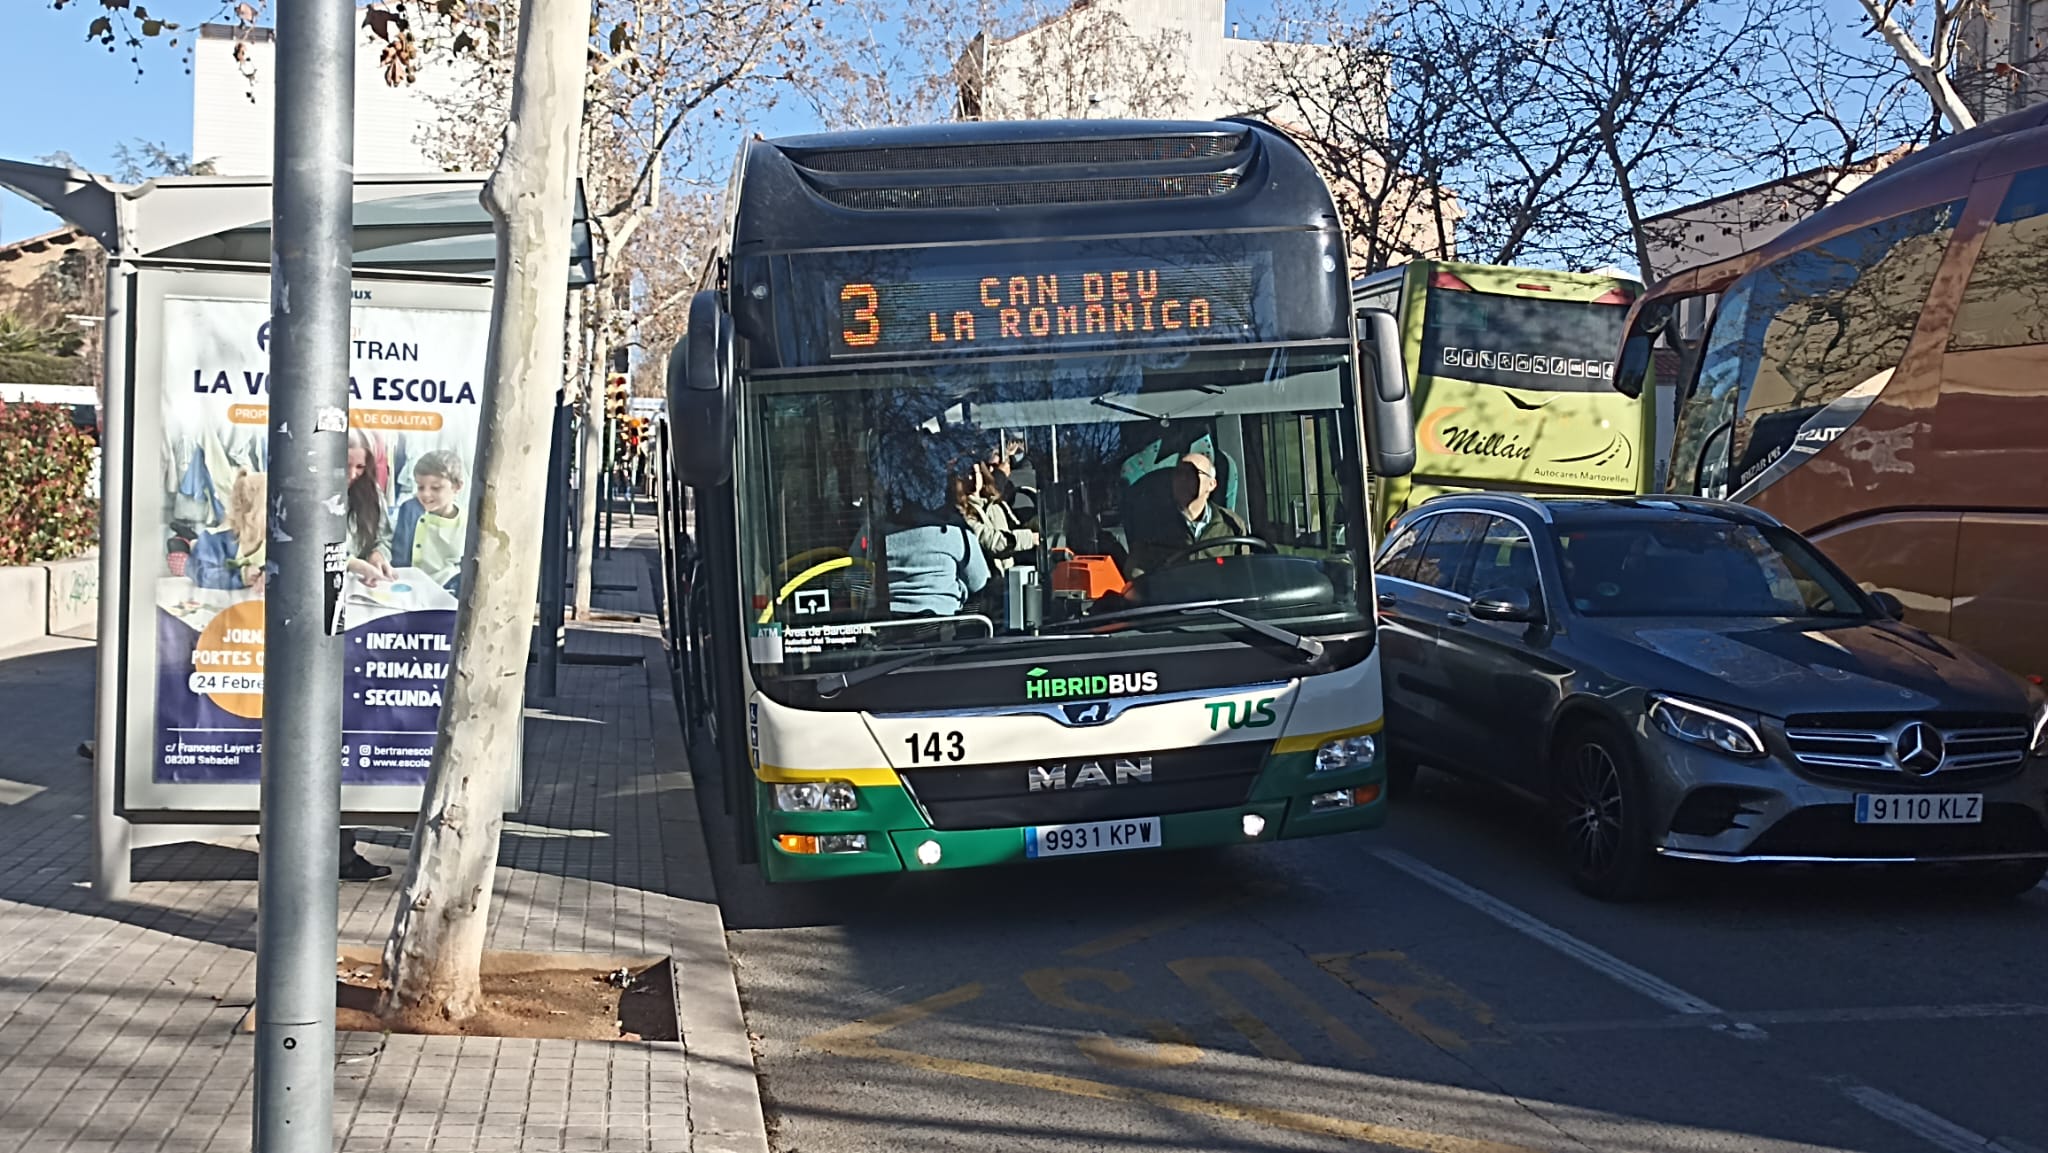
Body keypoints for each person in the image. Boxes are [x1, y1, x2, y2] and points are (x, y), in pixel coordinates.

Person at [854, 482, 991, 618]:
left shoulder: (873, 530)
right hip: (944, 623)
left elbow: (852, 578)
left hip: (889, 625)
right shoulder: (955, 530)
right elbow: (979, 582)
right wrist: (957, 588)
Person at [1128, 452, 1251, 574]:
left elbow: (1245, 574)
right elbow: (1137, 572)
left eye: (1191, 473)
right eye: (1179, 473)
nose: (1182, 478)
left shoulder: (1232, 525)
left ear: (1211, 484)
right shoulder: (1154, 524)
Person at [392, 449, 467, 590]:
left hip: (446, 592)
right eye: (421, 487)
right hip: (406, 588)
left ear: (457, 486)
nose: (426, 494)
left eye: (436, 488)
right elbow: (398, 556)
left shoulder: (466, 524)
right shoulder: (409, 510)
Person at [188, 469, 267, 593]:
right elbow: (202, 575)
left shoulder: (270, 539)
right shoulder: (214, 539)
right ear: (250, 514)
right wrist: (241, 576)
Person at [959, 461, 1038, 578]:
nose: (973, 478)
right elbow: (991, 542)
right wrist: (1030, 538)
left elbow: (1015, 527)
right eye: (967, 475)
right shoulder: (963, 513)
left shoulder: (995, 503)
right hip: (988, 586)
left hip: (1010, 577)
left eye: (976, 473)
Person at [346, 429, 395, 586]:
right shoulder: (310, 493)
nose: (352, 474)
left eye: (360, 467)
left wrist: (378, 554)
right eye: (345, 465)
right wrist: (349, 563)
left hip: (361, 585)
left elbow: (384, 537)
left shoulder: (372, 492)